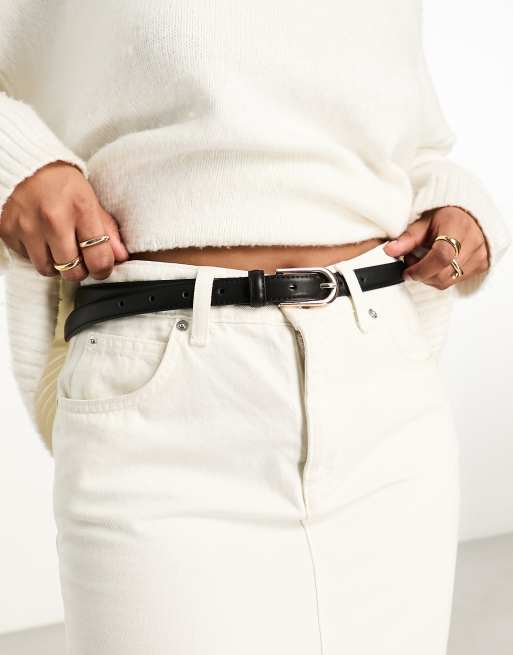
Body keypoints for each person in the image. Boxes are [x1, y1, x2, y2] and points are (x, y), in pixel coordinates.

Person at [0, 2, 510, 653]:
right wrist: (17, 163)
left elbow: (404, 144)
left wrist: (458, 207)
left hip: (383, 391)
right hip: (163, 408)